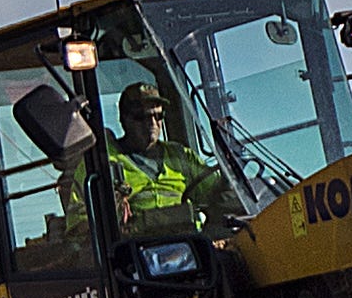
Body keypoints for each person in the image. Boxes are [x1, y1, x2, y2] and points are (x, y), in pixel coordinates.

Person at [72, 80, 237, 237]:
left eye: (158, 116)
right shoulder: (100, 163)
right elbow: (79, 222)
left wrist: (231, 178)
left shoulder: (181, 156)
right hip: (132, 249)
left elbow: (216, 195)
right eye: (141, 117)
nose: (152, 123)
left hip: (190, 243)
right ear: (123, 119)